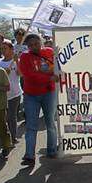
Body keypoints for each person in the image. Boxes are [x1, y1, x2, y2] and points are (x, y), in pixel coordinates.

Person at [19, 33, 58, 166]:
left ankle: (52, 149)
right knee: (31, 126)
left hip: (49, 93)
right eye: (30, 45)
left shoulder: (50, 52)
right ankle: (29, 155)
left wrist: (56, 75)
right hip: (31, 95)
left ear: (41, 42)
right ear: (27, 46)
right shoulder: (24, 57)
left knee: (50, 123)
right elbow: (29, 75)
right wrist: (49, 78)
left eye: (36, 44)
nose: (34, 47)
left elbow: (58, 67)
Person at [0, 40, 22, 144]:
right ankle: (4, 136)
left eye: (5, 48)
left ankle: (13, 136)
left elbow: (20, 74)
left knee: (12, 116)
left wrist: (17, 62)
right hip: (1, 94)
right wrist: (3, 74)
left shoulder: (17, 61)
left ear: (12, 49)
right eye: (2, 48)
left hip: (15, 93)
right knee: (3, 117)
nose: (3, 50)